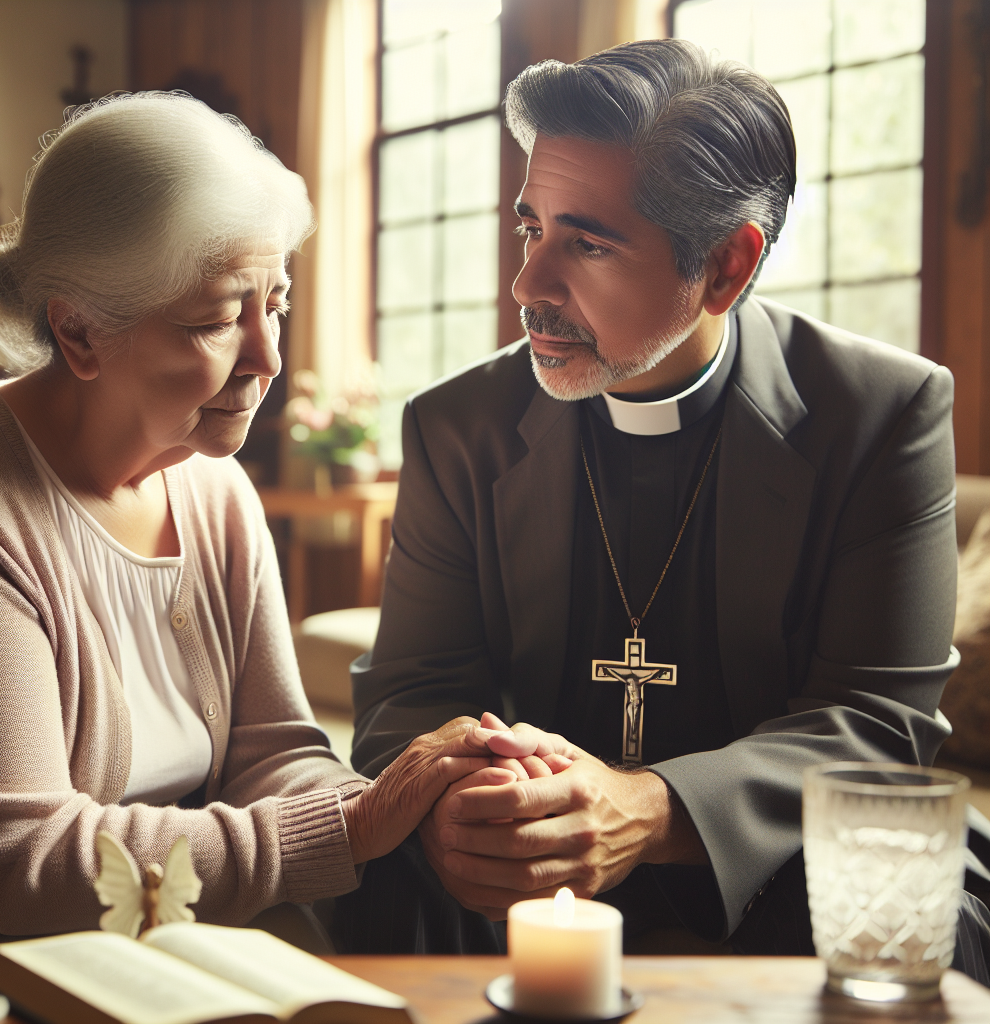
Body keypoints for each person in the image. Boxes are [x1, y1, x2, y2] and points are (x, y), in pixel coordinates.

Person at [337, 40, 990, 979]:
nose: (527, 286)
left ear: (727, 266)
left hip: (780, 860)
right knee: (378, 879)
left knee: (904, 918)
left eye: (587, 243)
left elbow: (876, 724)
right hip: (528, 872)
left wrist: (648, 809)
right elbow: (411, 689)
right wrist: (467, 809)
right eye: (531, 230)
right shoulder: (456, 425)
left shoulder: (882, 413)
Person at [0, 92, 535, 950]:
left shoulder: (214, 488)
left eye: (276, 302)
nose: (268, 358)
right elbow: (25, 861)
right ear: (77, 331)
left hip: (192, 945)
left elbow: (273, 753)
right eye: (218, 319)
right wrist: (348, 831)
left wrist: (429, 801)